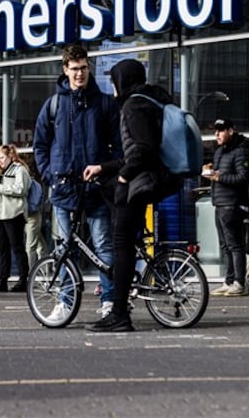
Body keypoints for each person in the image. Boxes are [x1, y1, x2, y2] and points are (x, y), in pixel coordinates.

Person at [85, 59, 182, 332]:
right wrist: (104, 168)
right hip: (150, 180)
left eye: (113, 79)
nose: (112, 86)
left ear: (122, 80)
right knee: (125, 239)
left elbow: (143, 149)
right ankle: (120, 306)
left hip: (140, 183)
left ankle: (119, 315)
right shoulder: (147, 101)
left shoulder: (133, 105)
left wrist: (123, 176)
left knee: (121, 244)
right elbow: (135, 152)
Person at [33, 44, 122, 318]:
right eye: (74, 69)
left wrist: (104, 171)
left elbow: (118, 147)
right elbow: (40, 145)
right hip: (63, 189)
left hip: (95, 188)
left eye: (83, 68)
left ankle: (109, 301)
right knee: (63, 250)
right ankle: (66, 302)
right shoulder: (54, 105)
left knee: (103, 246)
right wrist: (50, 174)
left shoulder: (105, 103)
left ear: (89, 67)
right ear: (65, 69)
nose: (79, 74)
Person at [204, 118, 249, 297]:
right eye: (215, 131)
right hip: (220, 203)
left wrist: (219, 178)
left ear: (230, 131)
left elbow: (243, 178)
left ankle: (240, 283)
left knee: (235, 245)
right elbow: (219, 173)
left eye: (221, 130)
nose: (216, 134)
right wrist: (210, 171)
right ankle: (229, 280)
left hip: (232, 204)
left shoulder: (241, 151)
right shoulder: (220, 152)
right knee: (225, 245)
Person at [0, 144, 32, 292]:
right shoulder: (0, 171)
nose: (0, 161)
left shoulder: (20, 170)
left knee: (17, 247)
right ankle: (2, 280)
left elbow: (21, 189)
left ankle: (23, 280)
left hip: (13, 214)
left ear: (10, 156)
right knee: (2, 248)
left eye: (2, 158)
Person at [23, 163, 51, 269]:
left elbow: (34, 204)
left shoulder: (31, 184)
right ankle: (47, 269)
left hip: (31, 216)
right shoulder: (34, 184)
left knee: (30, 246)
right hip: (28, 217)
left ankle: (29, 276)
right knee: (39, 243)